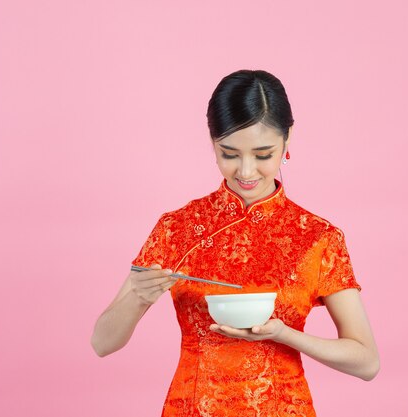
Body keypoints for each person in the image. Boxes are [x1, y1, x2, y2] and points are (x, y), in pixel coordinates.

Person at [90, 69, 379, 417]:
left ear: (287, 139)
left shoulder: (317, 237)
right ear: (212, 142)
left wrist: (284, 335)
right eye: (229, 154)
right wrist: (138, 295)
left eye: (262, 154)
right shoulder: (177, 227)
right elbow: (102, 343)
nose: (246, 171)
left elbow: (367, 362)